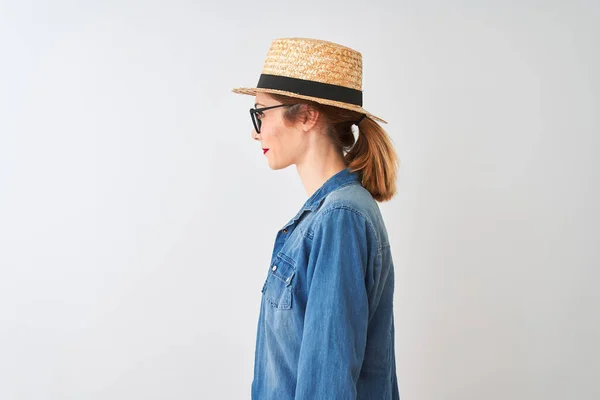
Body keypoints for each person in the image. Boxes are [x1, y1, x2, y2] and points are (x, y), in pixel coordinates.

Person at [232, 37, 400, 400]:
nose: (254, 130)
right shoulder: (326, 215)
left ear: (307, 114)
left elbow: (328, 384)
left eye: (261, 113)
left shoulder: (340, 218)